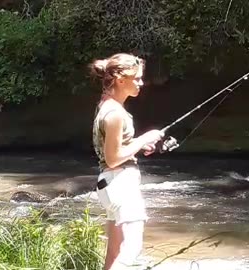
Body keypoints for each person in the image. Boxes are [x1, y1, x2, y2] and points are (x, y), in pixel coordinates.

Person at [89, 53, 164, 270]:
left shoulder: (107, 105)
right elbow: (112, 159)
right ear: (121, 80)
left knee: (114, 252)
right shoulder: (115, 114)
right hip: (120, 183)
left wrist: (138, 146)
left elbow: (113, 150)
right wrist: (143, 139)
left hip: (111, 184)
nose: (141, 83)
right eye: (137, 78)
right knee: (132, 249)